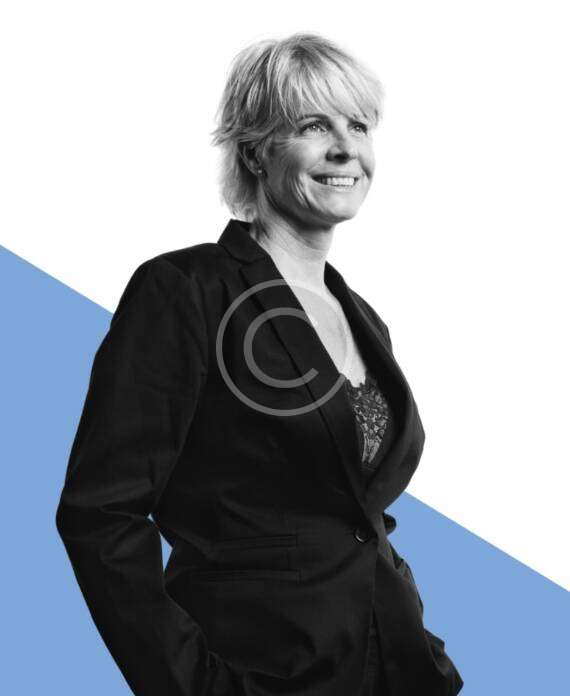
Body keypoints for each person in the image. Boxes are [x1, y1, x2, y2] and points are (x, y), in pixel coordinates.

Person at [55, 33, 464, 696]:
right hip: (262, 675)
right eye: (313, 126)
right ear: (255, 150)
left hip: (401, 672)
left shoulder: (364, 319)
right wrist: (192, 685)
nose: (345, 148)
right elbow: (99, 514)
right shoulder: (186, 291)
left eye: (359, 126)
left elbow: (357, 521)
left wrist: (418, 640)